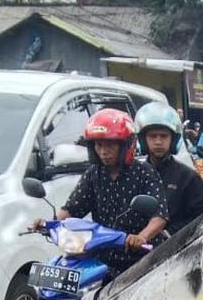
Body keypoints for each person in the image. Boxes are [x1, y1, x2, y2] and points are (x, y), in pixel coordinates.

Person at [35, 108, 169, 266]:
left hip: (142, 258)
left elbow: (159, 216)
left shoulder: (144, 172)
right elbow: (72, 208)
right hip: (102, 258)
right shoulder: (93, 174)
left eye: (110, 145)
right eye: (99, 145)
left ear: (126, 145)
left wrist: (141, 237)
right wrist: (49, 224)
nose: (103, 152)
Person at [135, 102, 203, 235]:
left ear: (173, 140)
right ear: (143, 140)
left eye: (164, 136)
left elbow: (202, 218)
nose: (158, 141)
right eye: (153, 136)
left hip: (177, 248)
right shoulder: (134, 175)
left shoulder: (188, 177)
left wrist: (169, 233)